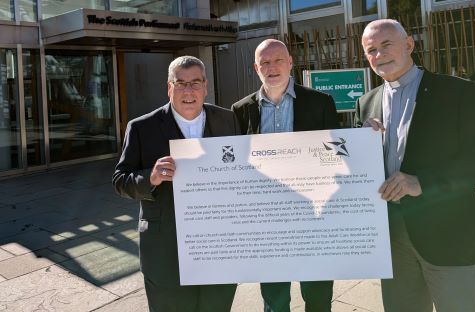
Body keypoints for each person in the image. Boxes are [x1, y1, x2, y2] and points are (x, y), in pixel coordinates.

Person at [355, 19, 475, 312]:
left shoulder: (458, 92)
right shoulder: (366, 103)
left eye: (386, 45)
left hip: (448, 233)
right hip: (392, 239)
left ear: (408, 45)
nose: (379, 55)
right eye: (371, 50)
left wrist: (422, 182)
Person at [112, 56, 239, 312]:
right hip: (165, 251)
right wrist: (151, 177)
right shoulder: (141, 127)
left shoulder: (228, 120)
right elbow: (120, 181)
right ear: (169, 87)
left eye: (195, 83)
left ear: (205, 86)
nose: (189, 91)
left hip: (219, 246)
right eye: (181, 83)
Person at [231, 39, 340, 312]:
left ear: (291, 63)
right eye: (265, 62)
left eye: (278, 60)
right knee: (274, 298)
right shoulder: (240, 110)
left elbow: (338, 158)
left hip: (313, 216)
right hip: (267, 222)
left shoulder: (321, 103)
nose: (272, 67)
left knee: (318, 296)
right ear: (256, 68)